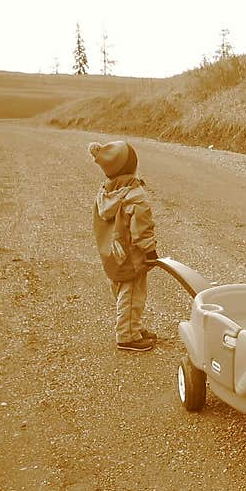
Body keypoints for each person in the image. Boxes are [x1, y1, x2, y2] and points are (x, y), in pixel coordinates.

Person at [89, 140, 159, 352]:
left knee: (122, 292)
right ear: (132, 166)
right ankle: (127, 336)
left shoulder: (105, 193)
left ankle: (133, 327)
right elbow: (141, 230)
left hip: (112, 253)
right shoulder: (135, 197)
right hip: (132, 257)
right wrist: (150, 251)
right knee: (132, 295)